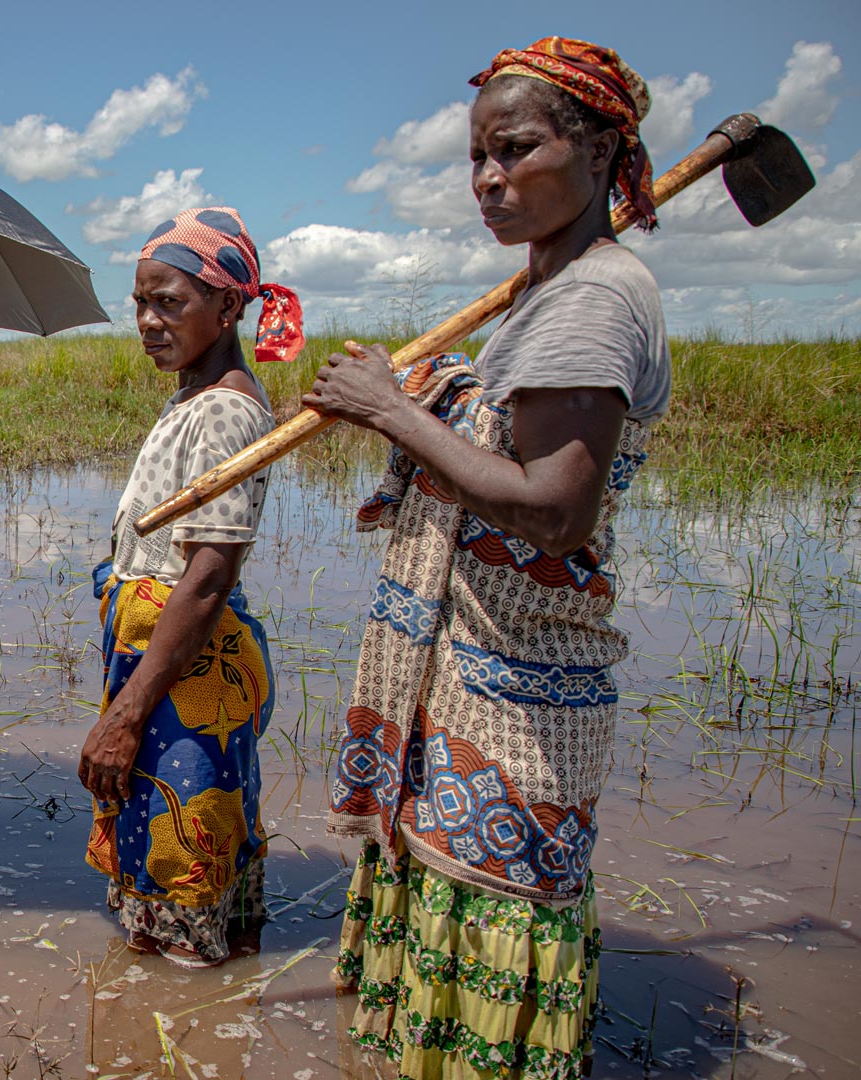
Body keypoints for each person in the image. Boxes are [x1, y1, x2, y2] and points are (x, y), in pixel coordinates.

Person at [306, 37, 672, 1079]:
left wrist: (390, 410)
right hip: (479, 671)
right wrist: (424, 399)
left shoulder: (596, 299)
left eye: (515, 151)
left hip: (518, 685)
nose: (489, 179)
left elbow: (554, 514)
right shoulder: (548, 291)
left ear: (600, 154)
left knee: (498, 918)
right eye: (476, 158)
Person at [77, 207, 304, 968]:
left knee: (185, 852)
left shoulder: (226, 411)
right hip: (167, 663)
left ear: (228, 307)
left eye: (167, 302)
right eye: (141, 302)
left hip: (183, 669)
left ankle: (185, 1017)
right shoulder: (195, 398)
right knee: (178, 840)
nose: (146, 320)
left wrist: (127, 712)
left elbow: (207, 578)